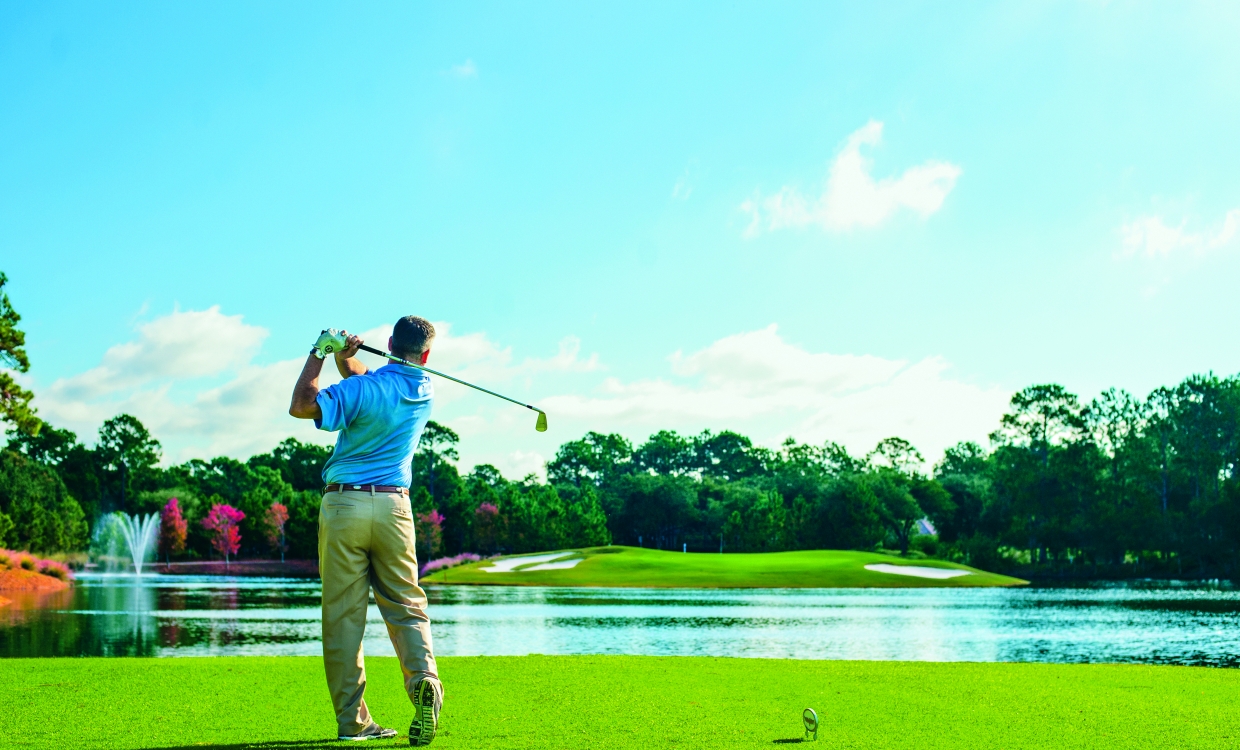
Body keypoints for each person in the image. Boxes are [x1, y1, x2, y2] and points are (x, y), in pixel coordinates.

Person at [289, 316, 444, 745]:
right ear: (426, 355)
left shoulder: (363, 389)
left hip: (344, 504)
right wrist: (347, 358)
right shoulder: (425, 390)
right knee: (407, 606)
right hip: (395, 507)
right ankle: (422, 683)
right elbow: (368, 382)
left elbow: (302, 405)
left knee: (343, 618)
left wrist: (321, 352)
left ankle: (354, 724)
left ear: (390, 342)